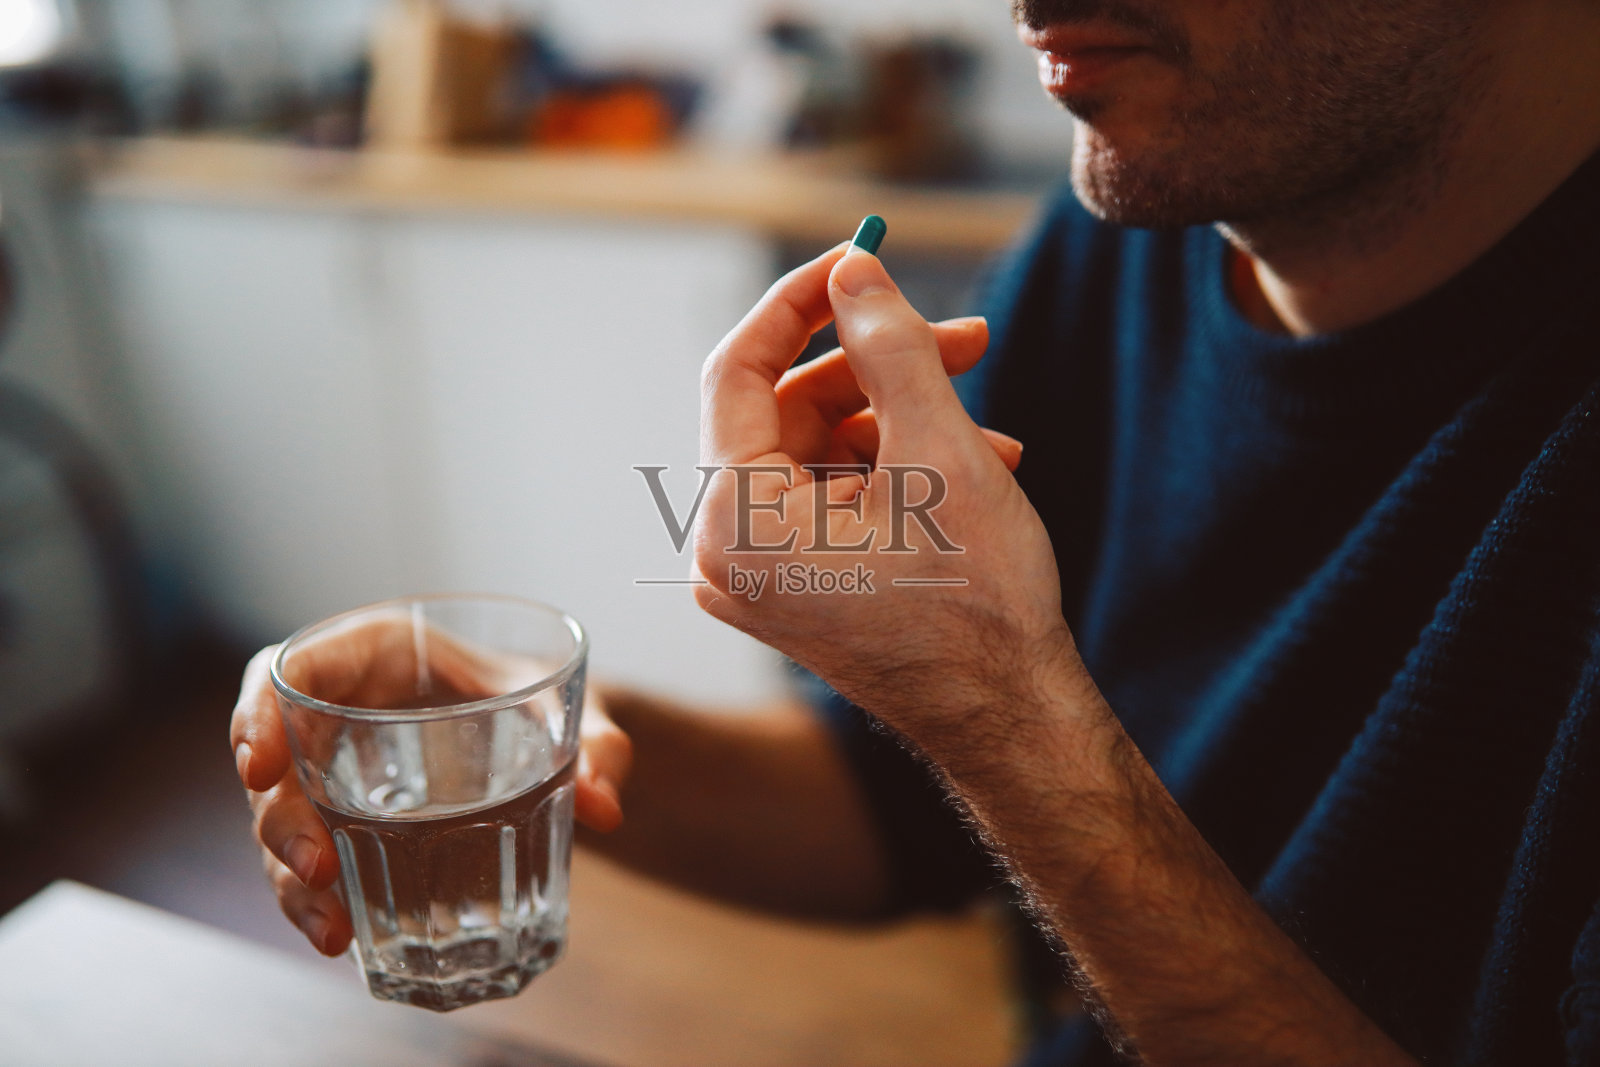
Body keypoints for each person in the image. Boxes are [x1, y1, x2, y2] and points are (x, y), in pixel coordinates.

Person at [231, 0, 1600, 1062]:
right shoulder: (1125, 231)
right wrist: (512, 735)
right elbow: (897, 805)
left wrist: (1002, 706)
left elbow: (996, 750)